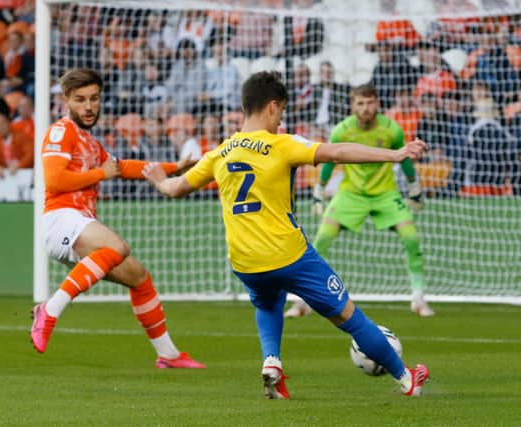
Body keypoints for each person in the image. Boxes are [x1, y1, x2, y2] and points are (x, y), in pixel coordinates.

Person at [142, 71, 429, 399]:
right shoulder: (282, 144)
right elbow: (336, 153)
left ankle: (272, 363)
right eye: (281, 113)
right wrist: (394, 155)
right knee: (350, 317)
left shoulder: (220, 152)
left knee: (268, 303)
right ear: (272, 107)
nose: (280, 121)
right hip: (289, 255)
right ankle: (407, 379)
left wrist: (156, 176)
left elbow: (174, 188)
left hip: (244, 261)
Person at [30, 68, 205, 369]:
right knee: (119, 246)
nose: (88, 106)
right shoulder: (61, 132)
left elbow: (124, 167)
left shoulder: (89, 141)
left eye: (94, 99)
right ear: (67, 101)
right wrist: (101, 173)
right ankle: (49, 309)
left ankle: (169, 355)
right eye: (80, 100)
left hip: (79, 224)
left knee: (139, 277)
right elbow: (55, 180)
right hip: (61, 218)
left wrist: (174, 167)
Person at [285, 84, 435, 319]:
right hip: (351, 194)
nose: (366, 108)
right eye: (361, 103)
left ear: (377, 103)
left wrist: (414, 188)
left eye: (370, 102)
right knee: (321, 239)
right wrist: (319, 192)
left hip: (385, 193)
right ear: (352, 106)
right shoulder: (341, 131)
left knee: (411, 238)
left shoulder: (391, 129)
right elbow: (330, 161)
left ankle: (418, 297)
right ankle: (305, 301)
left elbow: (404, 158)